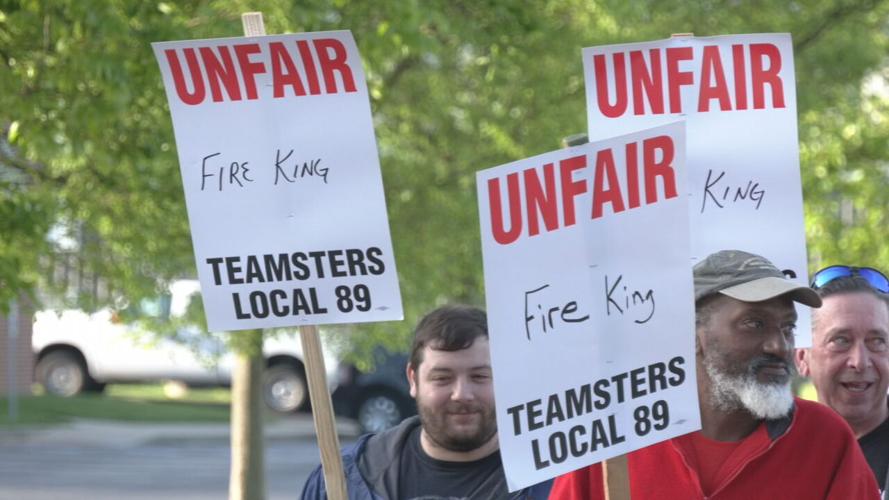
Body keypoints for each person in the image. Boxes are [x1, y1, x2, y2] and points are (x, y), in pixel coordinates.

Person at [550, 250, 880, 499]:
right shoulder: (613, 441)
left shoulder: (824, 440)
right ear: (692, 334)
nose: (778, 346)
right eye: (754, 323)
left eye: (787, 327)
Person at [301, 304, 552, 499]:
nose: (462, 393)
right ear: (413, 379)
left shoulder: (552, 479)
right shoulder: (348, 478)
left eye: (479, 376)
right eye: (442, 378)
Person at [795, 265, 889, 496]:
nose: (860, 362)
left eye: (877, 341)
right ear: (802, 358)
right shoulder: (771, 454)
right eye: (841, 340)